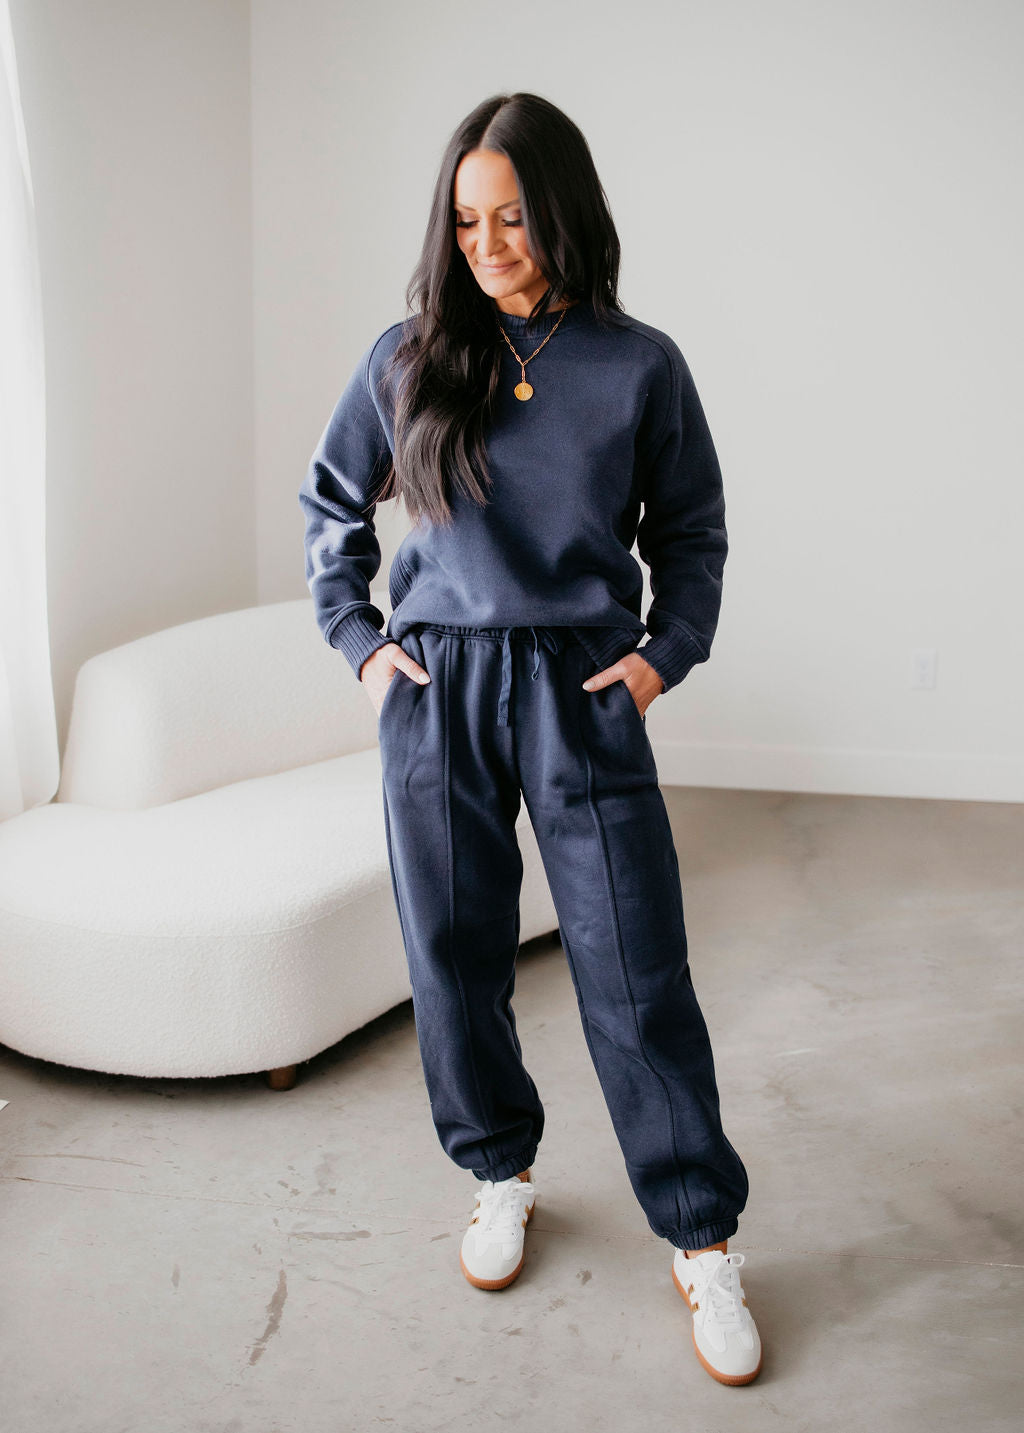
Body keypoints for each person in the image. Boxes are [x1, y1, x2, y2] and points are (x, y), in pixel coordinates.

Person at [298, 91, 762, 1386]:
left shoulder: (638, 365)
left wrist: (660, 659)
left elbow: (692, 533)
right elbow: (331, 504)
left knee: (633, 964)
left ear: (562, 211)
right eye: (466, 221)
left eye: (511, 217)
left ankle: (701, 1233)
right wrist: (362, 644)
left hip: (579, 687)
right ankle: (497, 1171)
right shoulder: (407, 358)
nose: (488, 245)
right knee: (453, 956)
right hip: (438, 688)